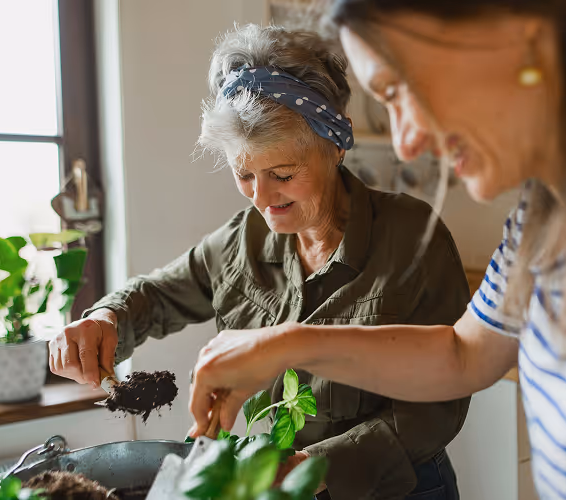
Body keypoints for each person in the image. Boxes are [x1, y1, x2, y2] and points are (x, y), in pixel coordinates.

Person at [188, 1, 566, 499]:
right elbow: (463, 353)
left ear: (521, 34)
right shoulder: (548, 213)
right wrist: (286, 347)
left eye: (399, 89)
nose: (406, 143)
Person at [48, 24, 471, 500]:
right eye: (244, 174)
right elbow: (157, 295)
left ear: (334, 146)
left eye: (283, 174)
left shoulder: (413, 237)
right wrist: (104, 318)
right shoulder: (238, 242)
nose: (263, 198)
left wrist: (315, 466)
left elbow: (439, 404)